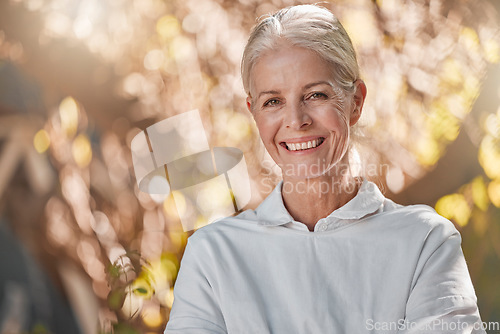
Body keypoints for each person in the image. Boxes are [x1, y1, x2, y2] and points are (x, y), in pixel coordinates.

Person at [165, 4, 484, 333]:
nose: (296, 121)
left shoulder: (425, 243)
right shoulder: (212, 256)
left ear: (356, 101)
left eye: (316, 95)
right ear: (253, 111)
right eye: (272, 101)